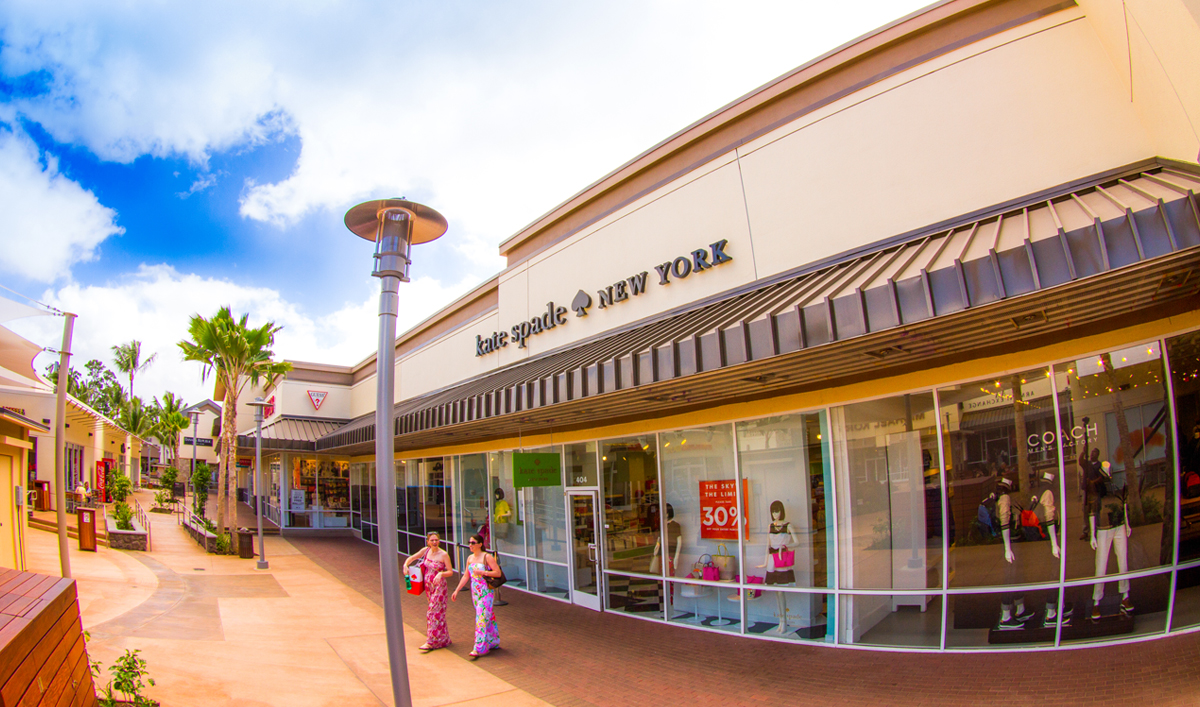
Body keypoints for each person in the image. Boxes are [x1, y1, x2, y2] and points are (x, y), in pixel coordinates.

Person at [402, 532, 454, 651]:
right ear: (428, 542)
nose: (434, 542)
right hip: (428, 586)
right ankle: (444, 639)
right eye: (432, 540)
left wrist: (441, 573)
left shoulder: (444, 554)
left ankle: (431, 641)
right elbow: (412, 557)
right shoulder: (426, 551)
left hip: (439, 587)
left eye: (436, 540)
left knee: (432, 612)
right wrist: (406, 565)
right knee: (438, 614)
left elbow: (450, 571)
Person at [452, 534, 502, 659]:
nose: (470, 545)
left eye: (473, 543)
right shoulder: (469, 558)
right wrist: (457, 590)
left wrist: (483, 572)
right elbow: (466, 576)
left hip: (486, 591)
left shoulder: (487, 557)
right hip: (475, 592)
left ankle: (478, 647)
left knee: (480, 618)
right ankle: (493, 640)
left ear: (480, 544)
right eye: (469, 542)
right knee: (486, 616)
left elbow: (497, 573)